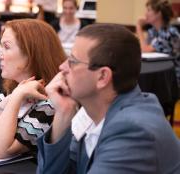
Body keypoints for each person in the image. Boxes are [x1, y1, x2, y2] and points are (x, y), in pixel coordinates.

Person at [36, 23, 180, 173]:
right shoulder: (91, 112)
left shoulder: (133, 131)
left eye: (72, 61)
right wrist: (63, 114)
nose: (62, 67)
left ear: (102, 76)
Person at [0, 19, 66, 158]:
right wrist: (12, 97)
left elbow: (0, 151)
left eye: (7, 47)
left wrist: (16, 97)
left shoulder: (51, 102)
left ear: (32, 53)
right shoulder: (15, 86)